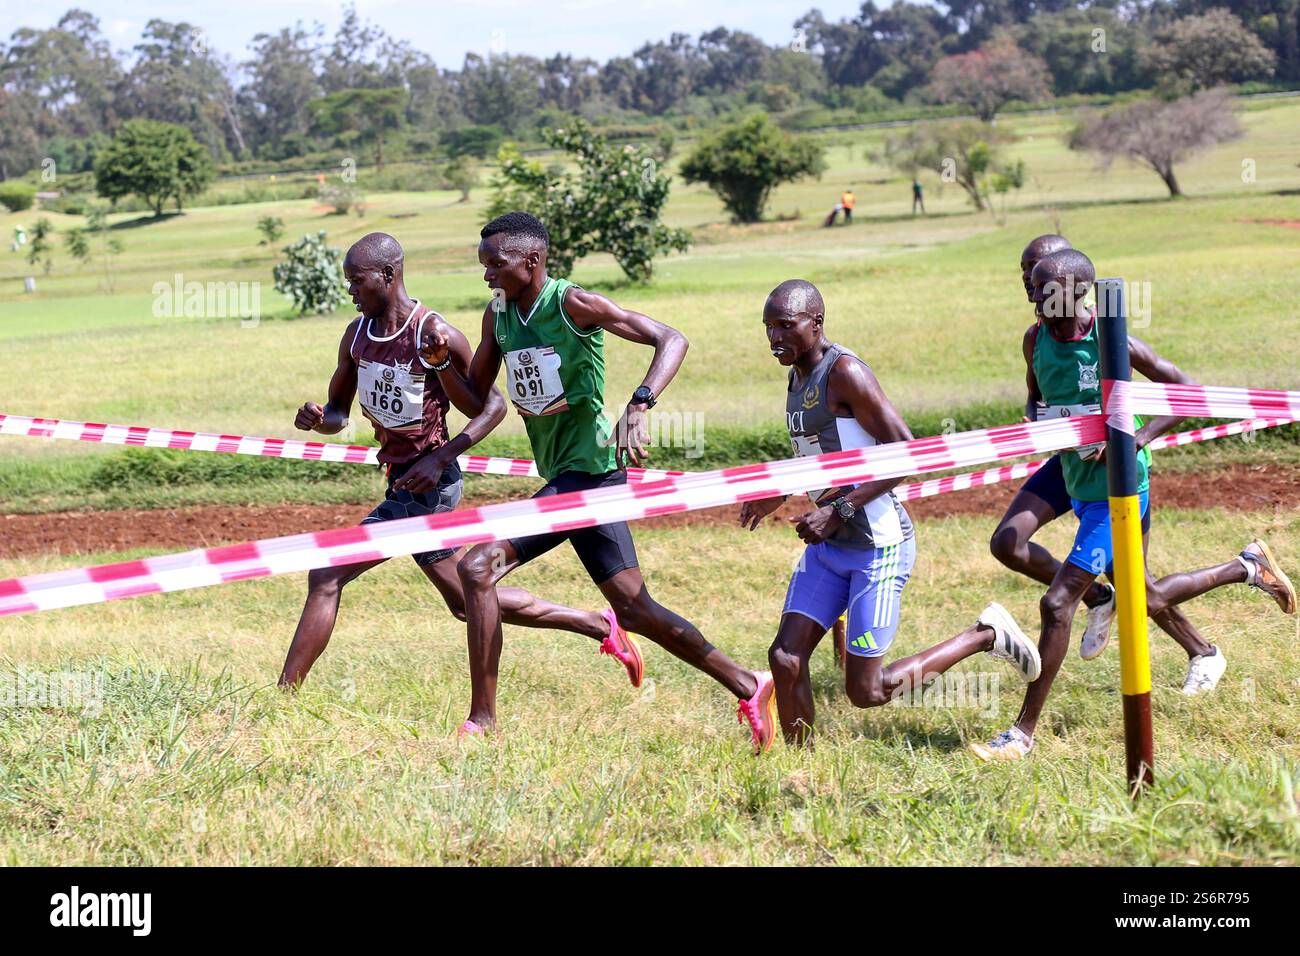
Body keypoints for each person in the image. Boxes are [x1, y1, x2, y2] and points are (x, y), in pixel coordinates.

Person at [422, 212, 777, 751]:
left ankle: (482, 720)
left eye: (496, 264)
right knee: (635, 608)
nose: (488, 275)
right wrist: (443, 364)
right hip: (570, 479)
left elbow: (670, 339)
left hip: (590, 477)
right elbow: (478, 398)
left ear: (532, 261)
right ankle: (750, 683)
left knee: (477, 568)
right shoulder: (498, 318)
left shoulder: (572, 303)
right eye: (484, 266)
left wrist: (640, 403)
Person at [972, 249, 1297, 760]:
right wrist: (1042, 422)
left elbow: (1185, 390)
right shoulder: (1034, 338)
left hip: (1117, 488)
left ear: (1076, 294)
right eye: (1030, 287)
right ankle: (1235, 575)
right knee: (1012, 544)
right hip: (1069, 468)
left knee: (1058, 603)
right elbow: (1034, 400)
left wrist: (1136, 438)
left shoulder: (1108, 339)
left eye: (1043, 290)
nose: (1033, 297)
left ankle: (1021, 734)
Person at [280, 232, 640, 690]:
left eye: (357, 280)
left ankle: (284, 694)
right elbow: (337, 413)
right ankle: (598, 626)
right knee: (466, 601)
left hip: (428, 486)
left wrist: (440, 459)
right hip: (400, 480)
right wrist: (318, 420)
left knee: (328, 572)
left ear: (387, 276)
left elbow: (490, 405)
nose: (350, 290)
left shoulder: (435, 333)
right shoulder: (357, 336)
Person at [741, 279, 1042, 748]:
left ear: (816, 322)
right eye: (767, 328)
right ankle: (801, 766)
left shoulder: (844, 372)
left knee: (867, 690)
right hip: (831, 547)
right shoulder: (796, 374)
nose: (774, 338)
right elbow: (825, 457)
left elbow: (909, 451)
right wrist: (780, 491)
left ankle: (985, 635)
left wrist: (839, 509)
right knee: (785, 657)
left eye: (785, 325)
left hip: (876, 546)